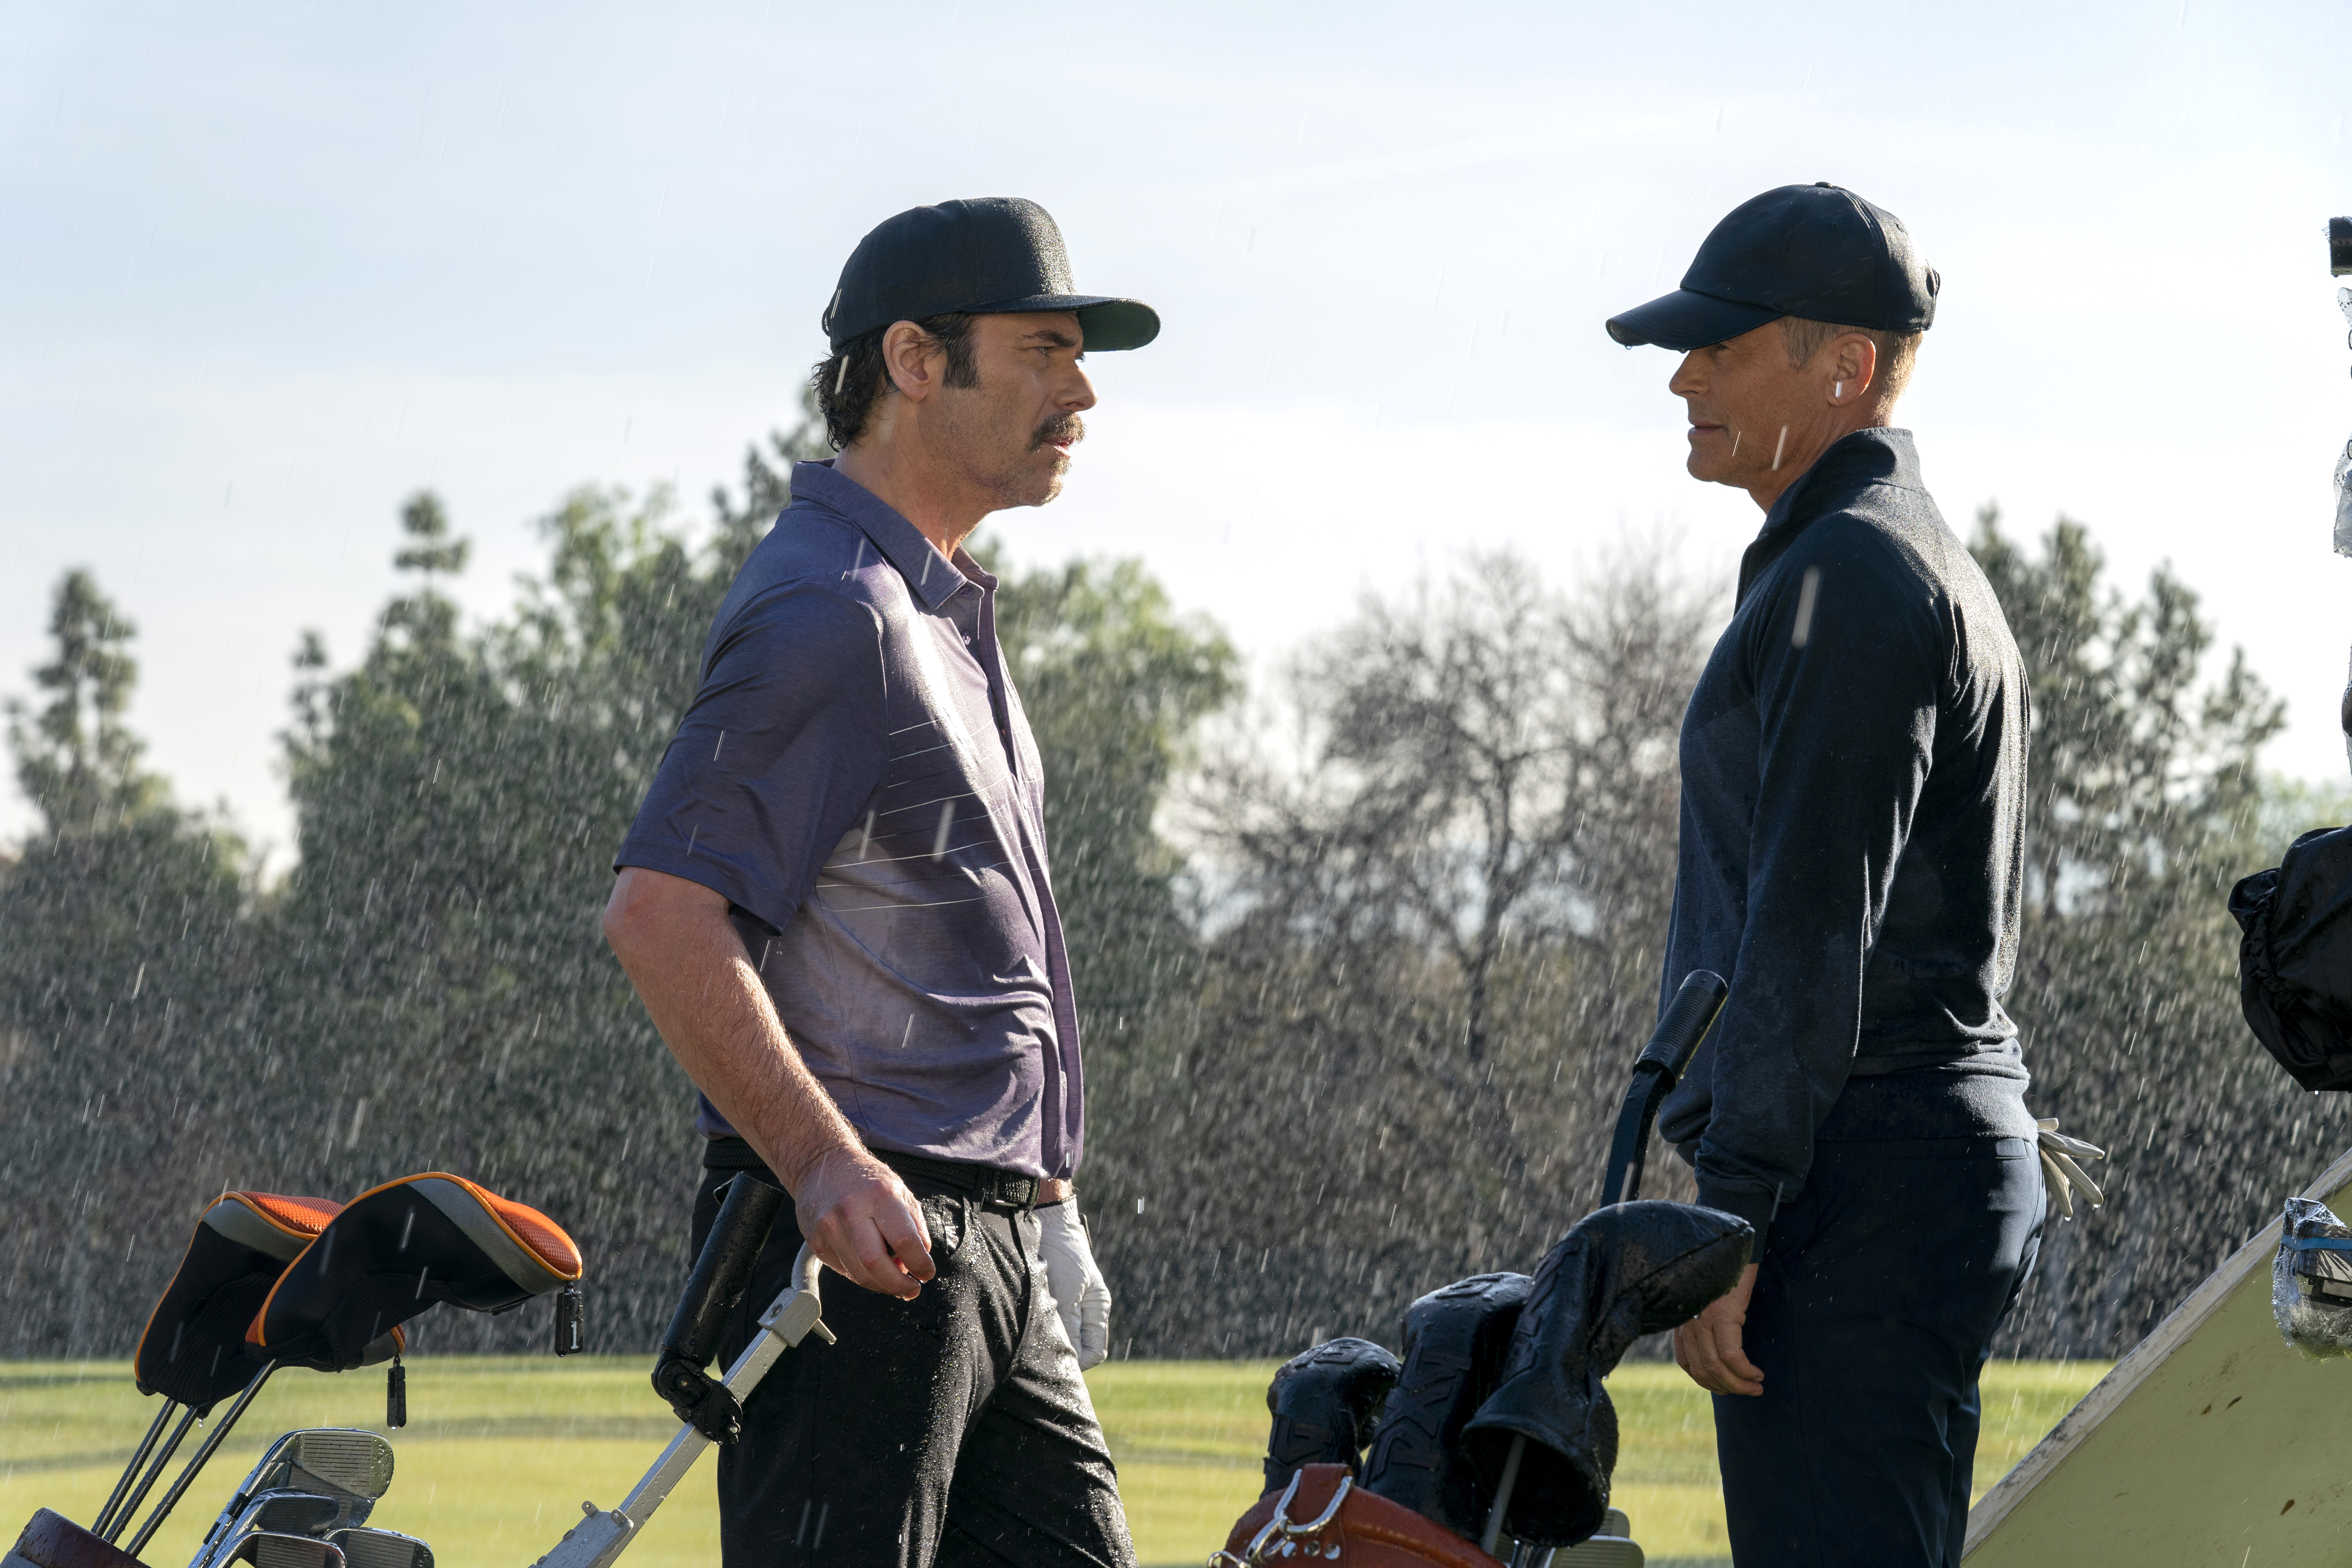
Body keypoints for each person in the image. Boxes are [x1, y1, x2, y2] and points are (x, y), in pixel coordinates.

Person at [601, 196, 1157, 1568]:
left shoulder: (941, 608)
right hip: (857, 1261)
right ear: (915, 360)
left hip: (988, 1252)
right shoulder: (832, 611)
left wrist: (1050, 1209)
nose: (1080, 389)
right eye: (1041, 350)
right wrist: (821, 1161)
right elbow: (662, 918)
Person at [1604, 184, 2044, 1567]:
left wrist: (1731, 1211)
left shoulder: (1855, 571)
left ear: (1845, 368)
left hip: (1860, 1170)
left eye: (1722, 347)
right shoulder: (1856, 555)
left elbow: (1812, 927)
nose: (1684, 377)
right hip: (1886, 1160)